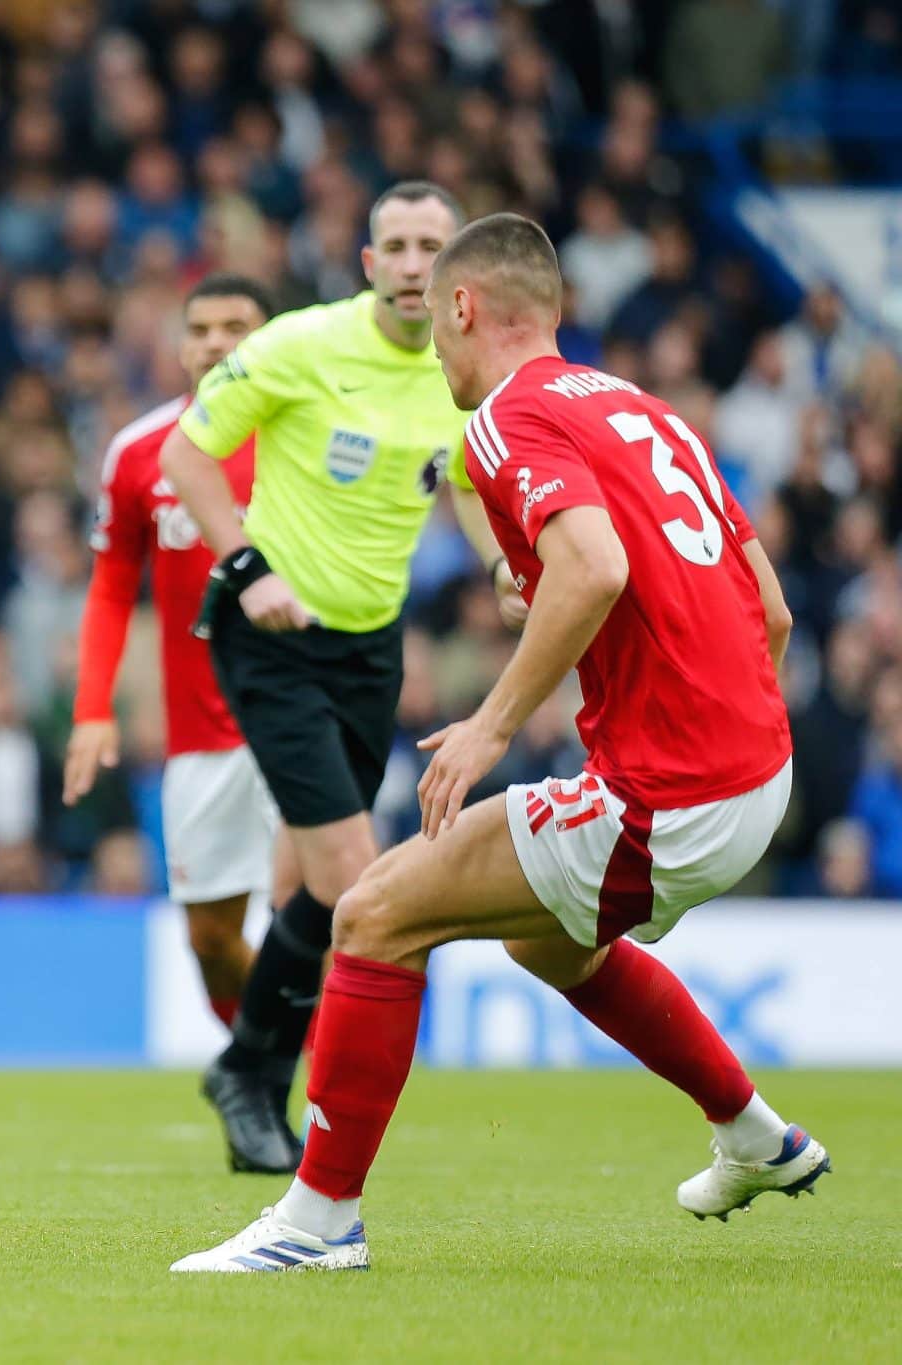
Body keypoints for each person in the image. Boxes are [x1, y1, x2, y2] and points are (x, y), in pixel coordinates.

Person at [171, 213, 822, 1274]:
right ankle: (757, 1137)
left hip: (670, 791)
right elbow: (772, 611)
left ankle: (315, 1224)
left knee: (372, 912)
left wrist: (488, 726)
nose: (433, 349)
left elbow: (594, 568)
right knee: (546, 944)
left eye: (438, 321)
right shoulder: (642, 410)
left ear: (464, 307)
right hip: (756, 765)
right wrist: (723, 731)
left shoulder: (504, 417)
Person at [158, 181, 526, 1173]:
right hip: (270, 642)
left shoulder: (461, 374)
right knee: (349, 876)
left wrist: (501, 566)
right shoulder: (300, 345)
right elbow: (184, 454)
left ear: (458, 272)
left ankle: (249, 1072)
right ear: (368, 263)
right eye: (393, 245)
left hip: (370, 649)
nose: (410, 264)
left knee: (323, 894)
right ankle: (252, 1073)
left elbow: (466, 480)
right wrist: (248, 568)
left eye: (429, 246)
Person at [61, 273, 293, 1125]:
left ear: (270, 338)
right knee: (210, 940)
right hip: (200, 739)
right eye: (200, 327)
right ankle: (258, 1072)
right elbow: (111, 585)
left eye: (237, 325)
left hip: (305, 720)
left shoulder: (308, 436)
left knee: (317, 917)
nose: (216, 342)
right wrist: (93, 708)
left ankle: (298, 1096)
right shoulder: (140, 450)